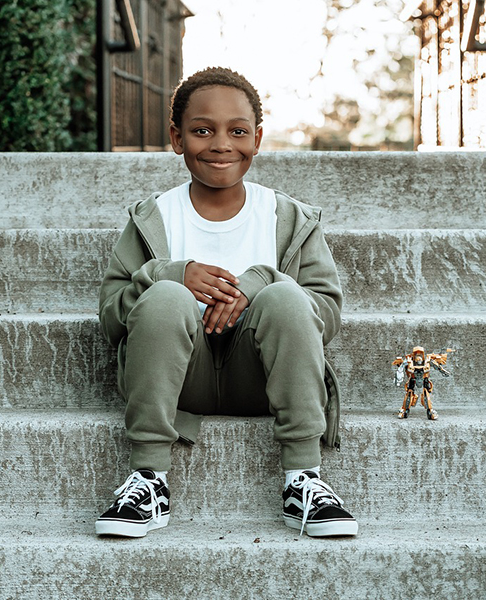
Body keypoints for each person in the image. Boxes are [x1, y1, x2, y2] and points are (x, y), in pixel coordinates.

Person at [95, 66, 357, 539]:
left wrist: (260, 282)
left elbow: (327, 313)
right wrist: (170, 274)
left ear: (257, 139)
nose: (220, 144)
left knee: (284, 296)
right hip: (179, 384)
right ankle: (149, 479)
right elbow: (112, 317)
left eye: (237, 131)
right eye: (202, 130)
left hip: (261, 378)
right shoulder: (154, 218)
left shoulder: (287, 217)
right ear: (176, 138)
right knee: (167, 296)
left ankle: (304, 479)